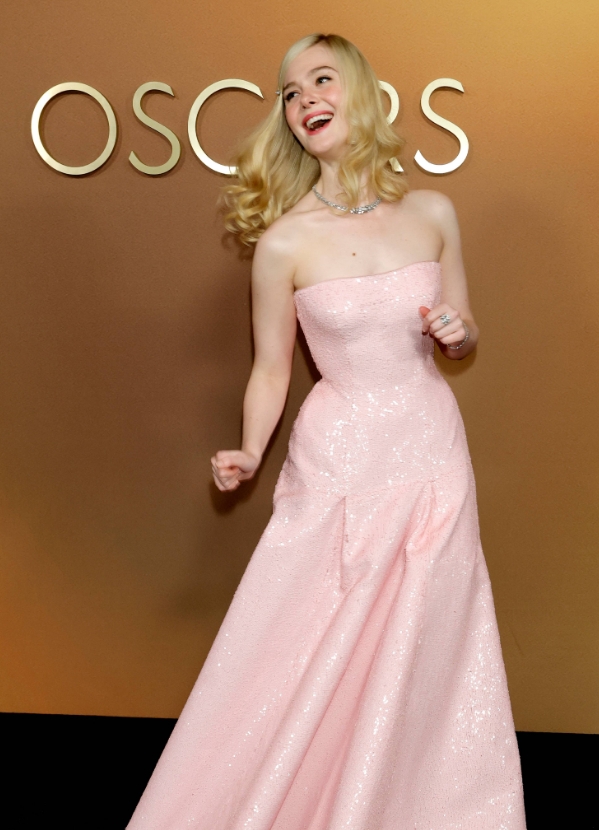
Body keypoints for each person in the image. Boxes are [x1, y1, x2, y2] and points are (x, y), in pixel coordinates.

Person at [127, 33, 525, 830]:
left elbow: (466, 329)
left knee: (427, 631)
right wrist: (248, 447)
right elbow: (272, 369)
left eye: (322, 79)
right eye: (289, 91)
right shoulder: (283, 244)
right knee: (309, 639)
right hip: (339, 458)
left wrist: (458, 330)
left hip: (430, 447)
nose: (305, 96)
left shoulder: (432, 212)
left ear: (363, 94)